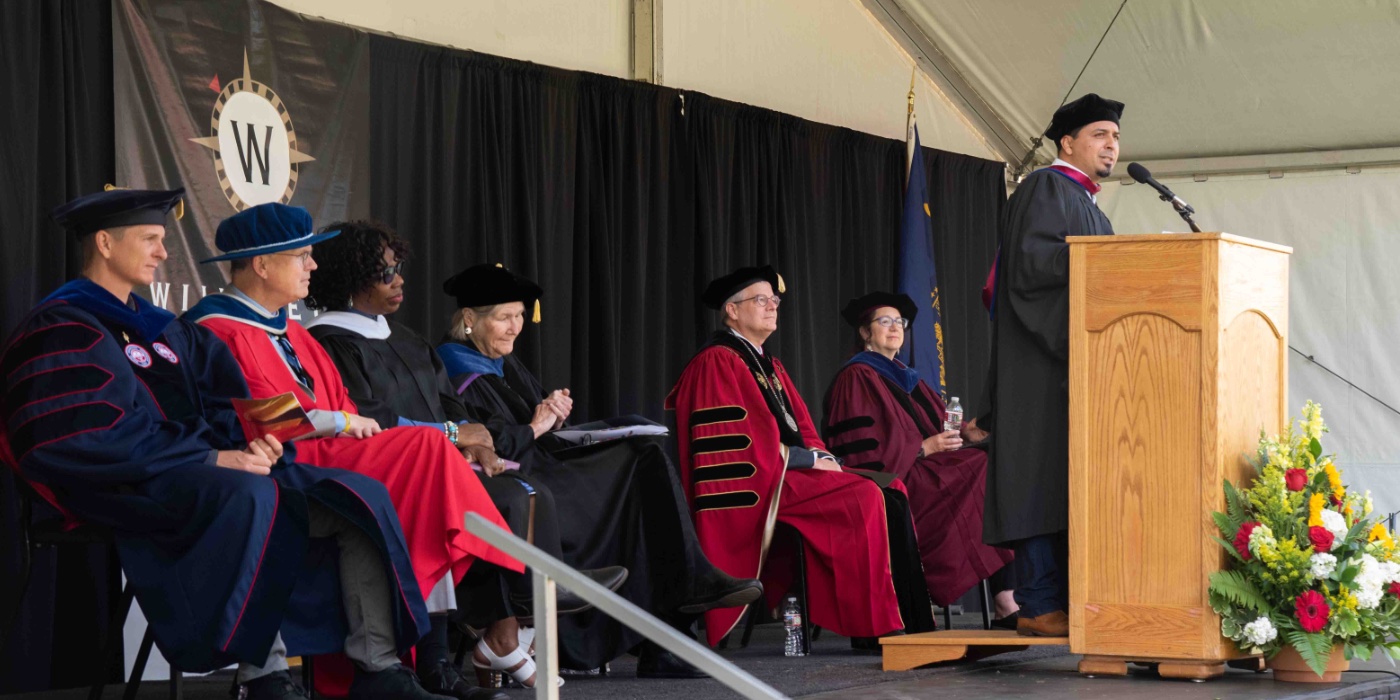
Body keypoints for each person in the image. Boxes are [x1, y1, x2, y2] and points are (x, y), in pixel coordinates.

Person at [0, 188, 447, 700]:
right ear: (104, 242)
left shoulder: (163, 329)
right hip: (119, 482)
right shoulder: (63, 326)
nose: (164, 252)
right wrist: (213, 456)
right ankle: (265, 675)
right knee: (256, 497)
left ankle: (377, 668)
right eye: (150, 239)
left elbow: (226, 407)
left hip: (193, 470)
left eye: (163, 240)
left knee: (355, 498)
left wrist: (254, 445)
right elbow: (83, 437)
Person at [184, 203, 526, 698]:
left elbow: (345, 410)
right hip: (280, 465)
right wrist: (344, 422)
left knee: (420, 468)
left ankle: (420, 650)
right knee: (427, 448)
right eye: (302, 256)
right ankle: (501, 568)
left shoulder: (293, 332)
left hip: (327, 458)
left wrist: (348, 422)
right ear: (262, 264)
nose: (314, 266)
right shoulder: (218, 329)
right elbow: (271, 420)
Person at [300, 221, 625, 687]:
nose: (400, 279)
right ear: (350, 277)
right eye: (386, 270)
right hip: (391, 470)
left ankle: (510, 622)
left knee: (523, 489)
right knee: (507, 498)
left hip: (442, 461)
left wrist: (482, 443)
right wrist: (456, 436)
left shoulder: (408, 340)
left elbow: (455, 410)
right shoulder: (329, 343)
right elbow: (371, 419)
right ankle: (500, 621)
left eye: (399, 267)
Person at [436, 263, 763, 676]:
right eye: (504, 317)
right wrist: (538, 425)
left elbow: (532, 425)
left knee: (644, 459)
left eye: (520, 316)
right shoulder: (453, 368)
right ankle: (681, 606)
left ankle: (673, 624)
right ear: (469, 319)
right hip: (515, 483)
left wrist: (554, 415)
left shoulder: (504, 362)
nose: (516, 327)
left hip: (545, 466)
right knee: (640, 476)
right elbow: (483, 446)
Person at [666, 265, 904, 648]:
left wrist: (822, 457)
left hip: (785, 473)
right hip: (758, 484)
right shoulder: (717, 361)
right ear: (732, 310)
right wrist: (809, 462)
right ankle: (869, 626)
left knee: (890, 489)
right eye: (761, 300)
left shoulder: (769, 365)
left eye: (774, 300)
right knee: (863, 497)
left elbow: (803, 425)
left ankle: (892, 612)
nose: (772, 306)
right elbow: (737, 443)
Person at [984, 93, 1121, 637]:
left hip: (1072, 367)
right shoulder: (1047, 187)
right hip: (1042, 365)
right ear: (1067, 143)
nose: (1111, 145)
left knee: (1067, 481)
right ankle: (1038, 603)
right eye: (1099, 135)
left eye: (1115, 137)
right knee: (1041, 480)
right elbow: (1035, 269)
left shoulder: (1087, 203)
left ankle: (1068, 599)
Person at [822, 291, 1018, 627]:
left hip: (927, 472)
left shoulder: (907, 376)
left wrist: (966, 434)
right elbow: (863, 451)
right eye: (884, 321)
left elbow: (941, 423)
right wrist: (924, 447)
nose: (895, 327)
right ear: (865, 332)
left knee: (997, 464)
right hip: (893, 483)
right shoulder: (856, 377)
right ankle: (1004, 602)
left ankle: (1009, 598)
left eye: (900, 322)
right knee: (983, 472)